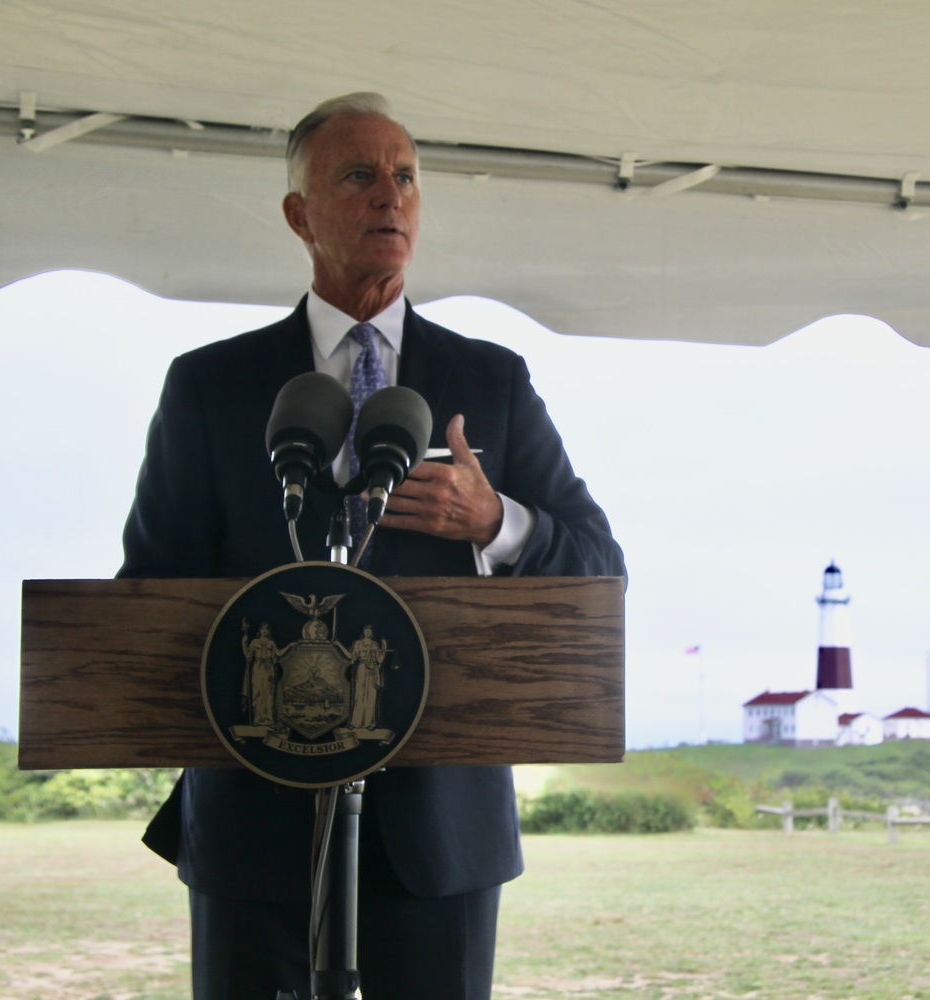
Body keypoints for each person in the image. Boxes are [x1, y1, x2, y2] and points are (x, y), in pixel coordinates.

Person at [119, 92, 625, 1000]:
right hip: (254, 827)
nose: (389, 197)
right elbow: (146, 592)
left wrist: (496, 519)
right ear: (298, 214)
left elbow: (597, 565)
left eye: (406, 178)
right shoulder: (209, 387)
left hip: (438, 832)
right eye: (358, 176)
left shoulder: (491, 380)